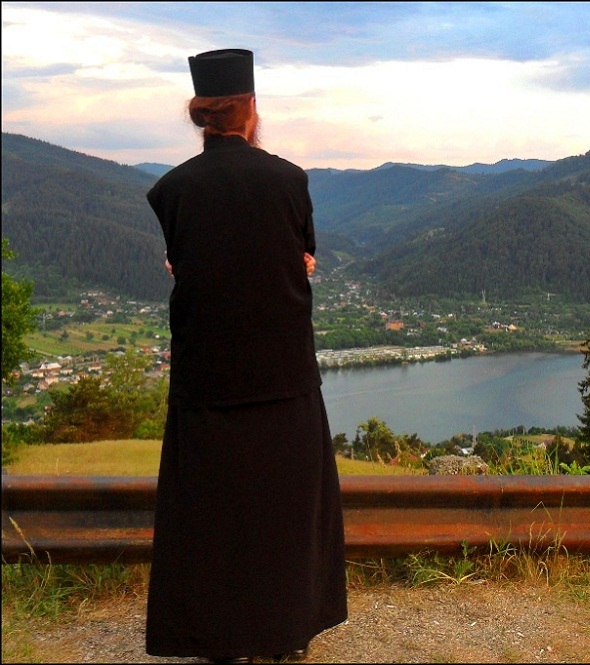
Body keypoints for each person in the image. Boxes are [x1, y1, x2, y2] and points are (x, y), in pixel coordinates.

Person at [144, 48, 348, 664]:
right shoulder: (290, 180)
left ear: (201, 114)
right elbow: (303, 257)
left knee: (212, 513)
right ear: (252, 108)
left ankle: (217, 640)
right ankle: (287, 633)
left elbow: (188, 264)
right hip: (283, 372)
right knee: (286, 509)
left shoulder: (171, 190)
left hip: (207, 376)